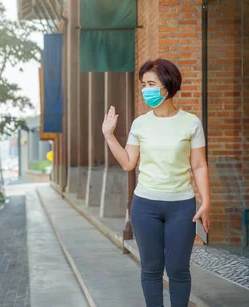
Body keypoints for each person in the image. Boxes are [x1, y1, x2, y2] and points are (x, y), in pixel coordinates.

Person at [102, 58, 211, 307]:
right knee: (151, 269)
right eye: (143, 84)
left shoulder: (191, 122)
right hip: (145, 206)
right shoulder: (140, 123)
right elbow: (129, 162)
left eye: (151, 83)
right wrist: (109, 135)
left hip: (181, 206)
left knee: (178, 269)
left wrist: (206, 201)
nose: (145, 90)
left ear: (167, 86)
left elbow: (199, 165)